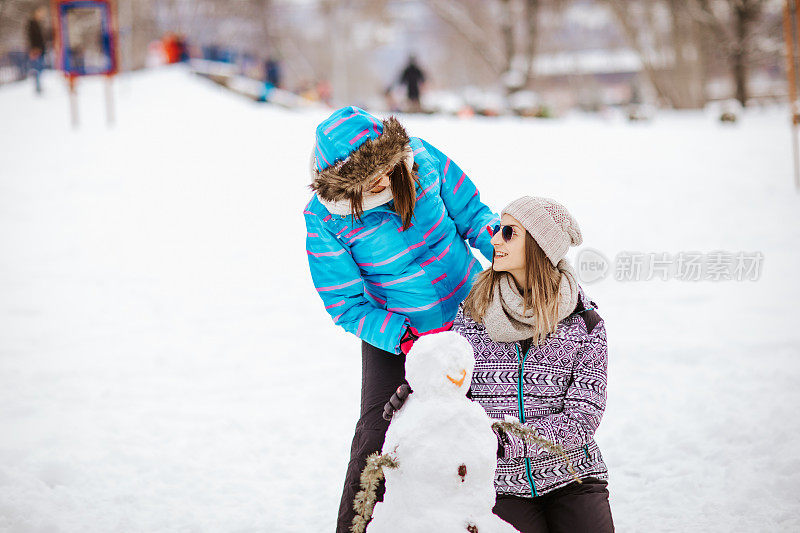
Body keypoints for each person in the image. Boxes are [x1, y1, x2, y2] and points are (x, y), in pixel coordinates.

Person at [303, 105, 499, 533]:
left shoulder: (423, 160)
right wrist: (403, 337)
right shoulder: (325, 220)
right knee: (378, 433)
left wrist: (509, 258)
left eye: (386, 169)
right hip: (398, 334)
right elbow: (346, 304)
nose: (381, 181)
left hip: (472, 317)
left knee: (487, 425)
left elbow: (475, 216)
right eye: (366, 178)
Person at [384, 196, 614, 533]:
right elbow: (456, 386)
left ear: (538, 245)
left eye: (509, 232)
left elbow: (582, 419)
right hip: (500, 486)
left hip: (574, 478)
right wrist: (416, 397)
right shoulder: (474, 312)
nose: (494, 239)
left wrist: (506, 442)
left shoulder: (584, 324)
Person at [26, 6, 47, 95]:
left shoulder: (37, 24)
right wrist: (34, 48)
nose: (42, 15)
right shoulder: (32, 24)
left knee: (40, 68)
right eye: (40, 13)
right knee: (37, 68)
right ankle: (37, 87)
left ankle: (38, 85)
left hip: (40, 49)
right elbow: (31, 37)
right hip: (36, 49)